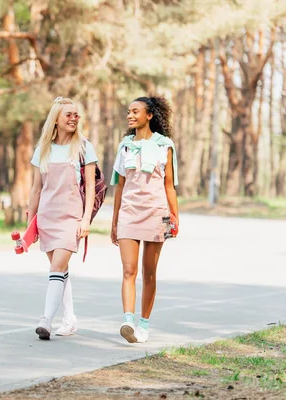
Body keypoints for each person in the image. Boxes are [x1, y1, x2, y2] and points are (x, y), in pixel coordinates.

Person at [27, 96, 98, 340]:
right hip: (47, 216)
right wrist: (30, 225)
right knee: (60, 269)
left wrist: (86, 219)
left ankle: (46, 319)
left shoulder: (84, 147)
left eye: (76, 115)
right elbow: (36, 189)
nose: (74, 118)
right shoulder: (42, 150)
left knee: (56, 267)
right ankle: (70, 319)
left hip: (71, 217)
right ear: (56, 119)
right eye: (68, 114)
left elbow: (90, 186)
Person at [110, 95, 179, 344]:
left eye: (135, 111)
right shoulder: (125, 146)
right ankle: (128, 320)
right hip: (129, 212)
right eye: (129, 111)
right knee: (128, 269)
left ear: (149, 115)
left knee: (149, 272)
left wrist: (174, 217)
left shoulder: (165, 145)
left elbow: (169, 186)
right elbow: (119, 186)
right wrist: (115, 220)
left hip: (156, 213)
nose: (130, 115)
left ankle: (144, 325)